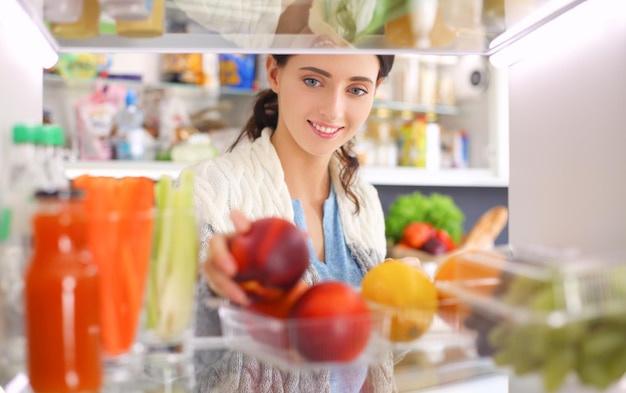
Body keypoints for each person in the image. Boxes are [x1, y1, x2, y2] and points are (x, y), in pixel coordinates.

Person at [190, 53, 399, 392]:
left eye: (357, 90)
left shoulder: (364, 201)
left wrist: (405, 306)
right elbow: (175, 353)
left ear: (377, 89)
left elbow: (360, 363)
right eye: (313, 81)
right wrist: (212, 291)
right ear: (274, 73)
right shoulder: (209, 191)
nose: (333, 110)